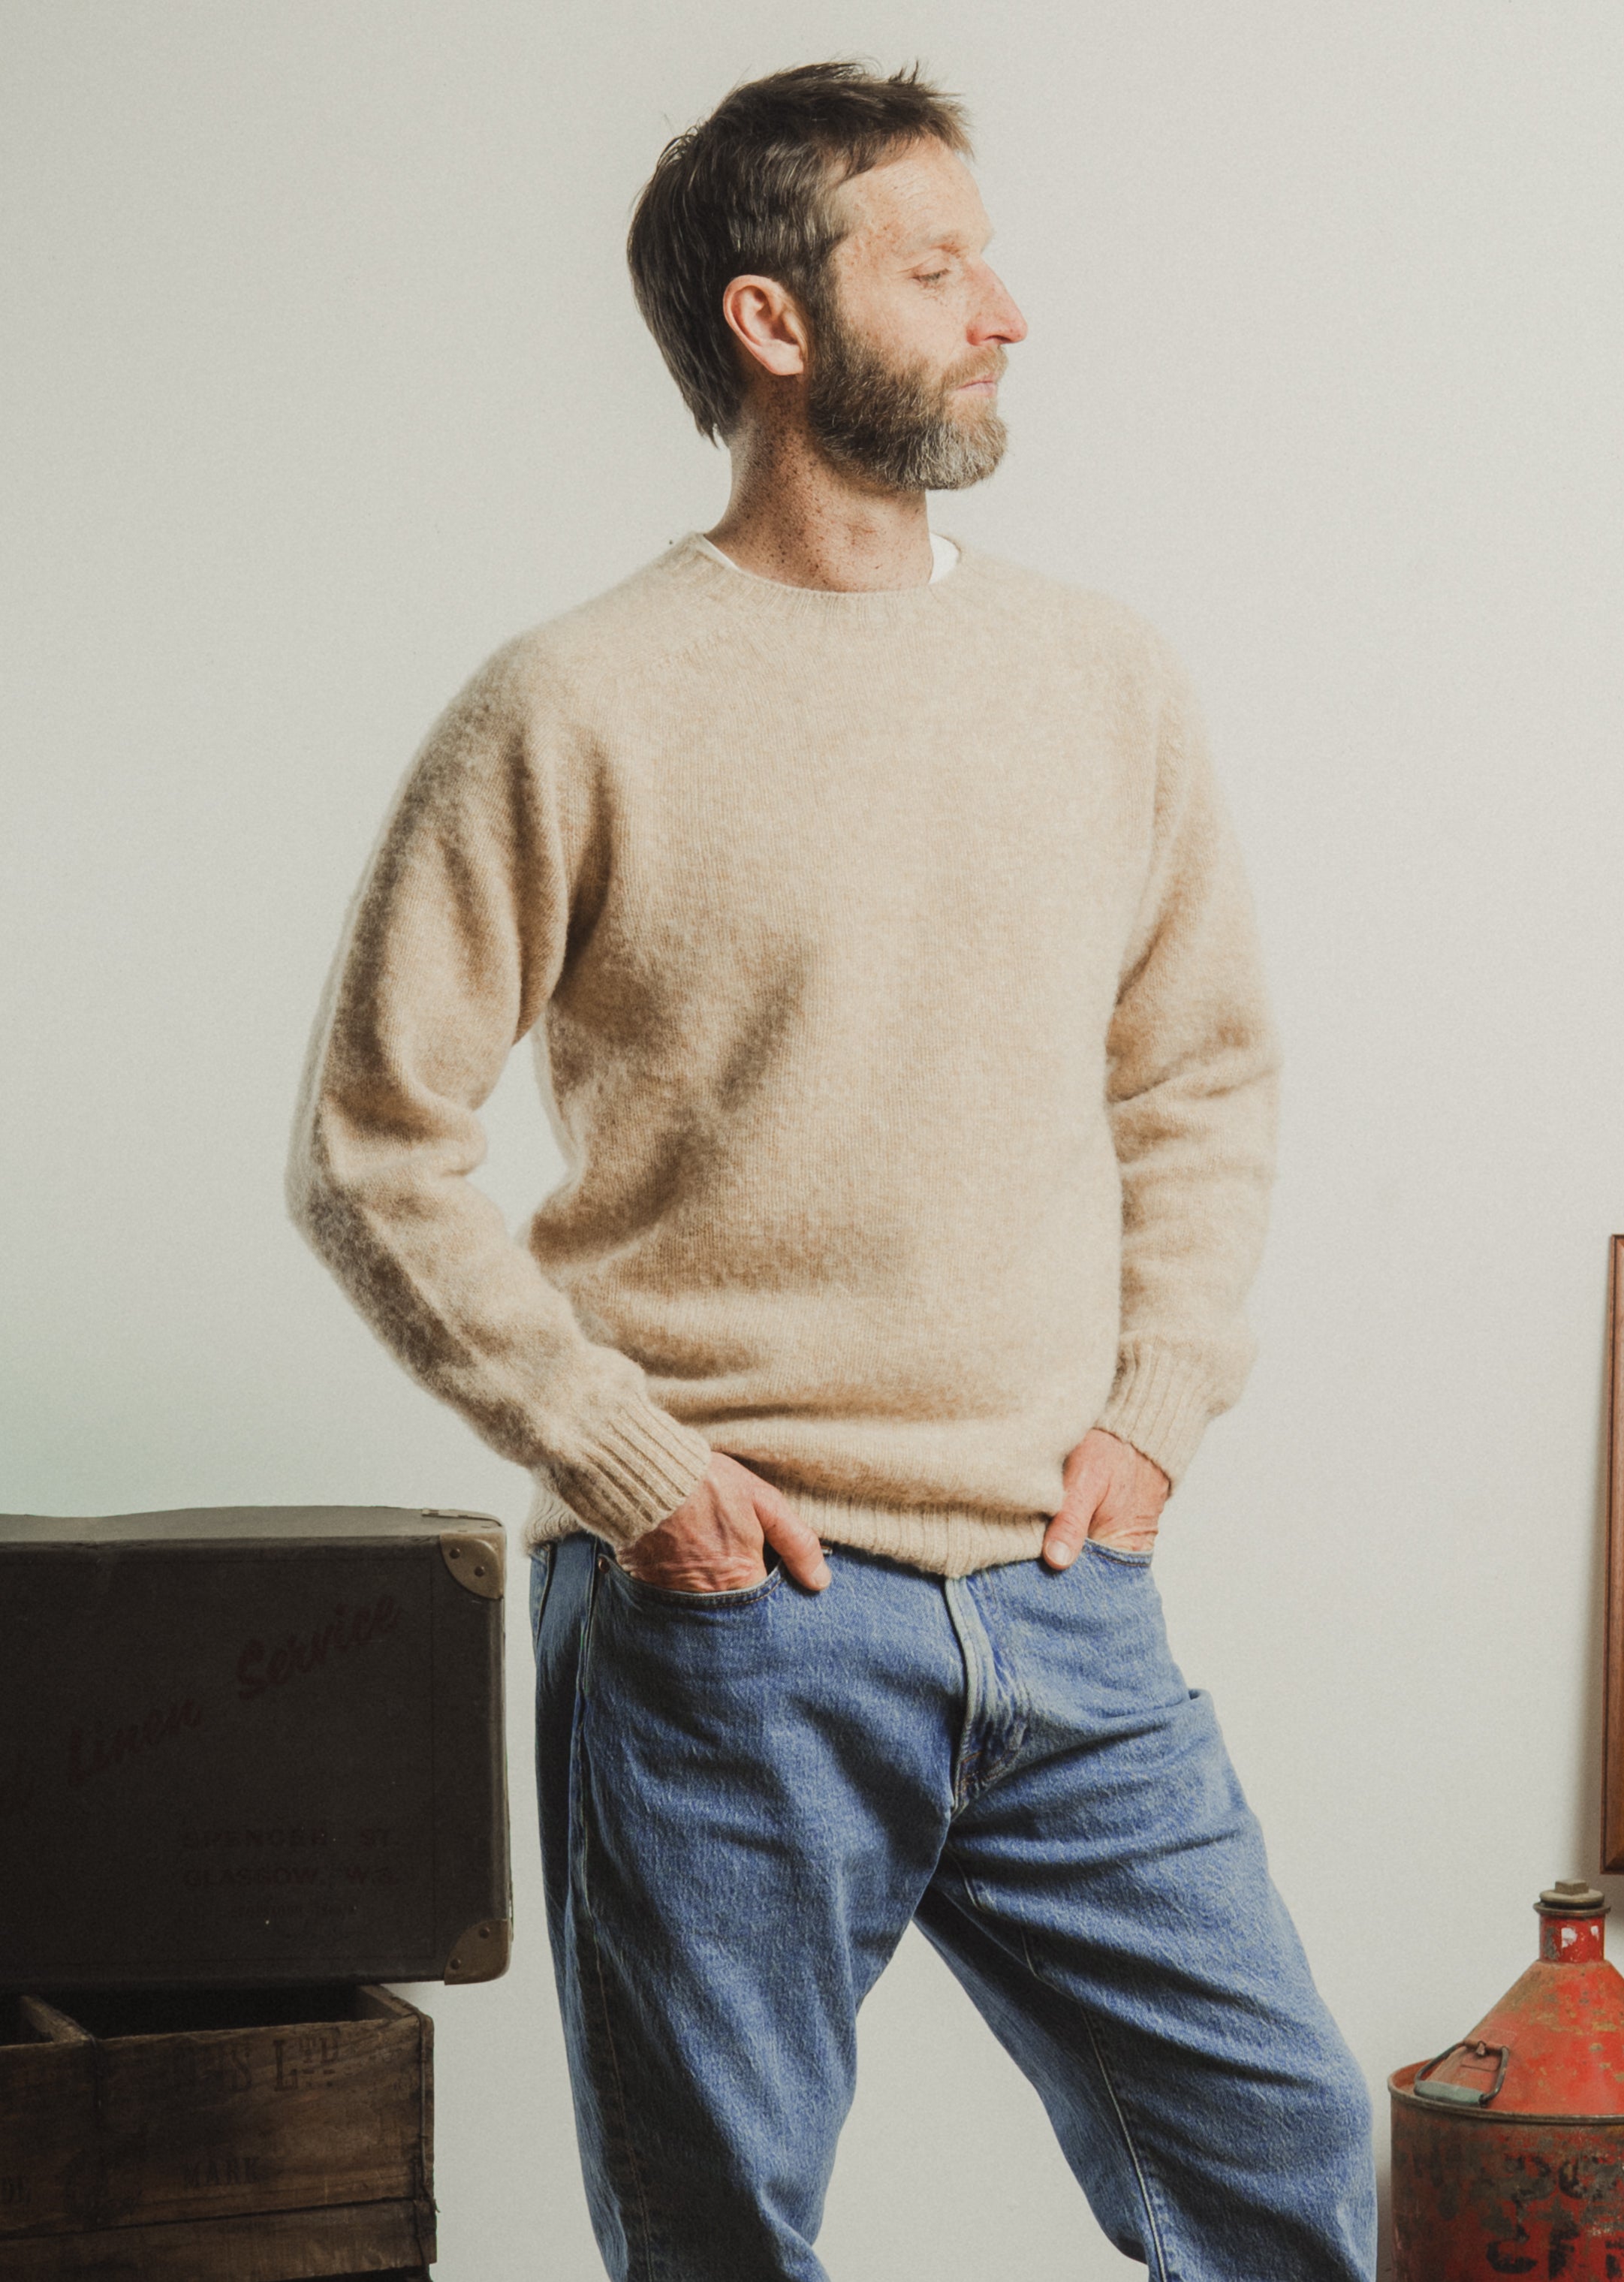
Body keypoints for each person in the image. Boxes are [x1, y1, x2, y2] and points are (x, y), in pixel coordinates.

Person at [288, 59, 1375, 2282]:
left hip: (1071, 1612)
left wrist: (1161, 1405)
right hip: (733, 1625)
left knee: (1288, 2169)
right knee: (722, 2244)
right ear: (778, 325)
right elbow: (371, 1143)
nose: (1009, 310)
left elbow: (1205, 1076)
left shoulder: (1102, 677)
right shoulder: (570, 704)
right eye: (940, 261)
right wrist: (621, 1463)